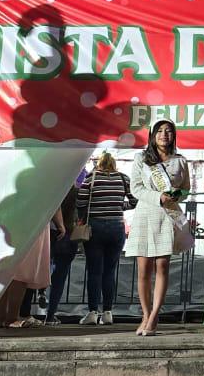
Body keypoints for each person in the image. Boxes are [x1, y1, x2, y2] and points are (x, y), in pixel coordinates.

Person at [127, 119, 190, 336]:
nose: (165, 135)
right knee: (144, 270)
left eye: (169, 131)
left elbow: (186, 189)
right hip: (146, 214)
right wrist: (158, 197)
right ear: (153, 135)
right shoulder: (141, 159)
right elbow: (135, 187)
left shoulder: (180, 161)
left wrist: (176, 195)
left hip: (167, 218)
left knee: (162, 266)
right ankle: (145, 314)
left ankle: (154, 316)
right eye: (160, 131)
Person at [76, 152, 134, 326]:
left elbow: (80, 202)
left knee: (94, 272)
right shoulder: (123, 178)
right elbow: (134, 201)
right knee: (109, 271)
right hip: (117, 228)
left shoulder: (91, 179)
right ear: (114, 164)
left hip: (95, 227)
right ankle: (108, 312)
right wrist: (118, 206)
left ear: (98, 163)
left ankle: (93, 312)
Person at [0, 203, 64, 328]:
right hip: (33, 221)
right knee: (22, 272)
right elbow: (54, 201)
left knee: (7, 271)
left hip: (11, 218)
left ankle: (1, 317)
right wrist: (60, 224)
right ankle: (11, 318)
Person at [46, 184, 79, 324]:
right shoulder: (76, 192)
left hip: (47, 234)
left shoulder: (52, 188)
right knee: (60, 277)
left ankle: (24, 312)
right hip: (69, 234)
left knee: (33, 274)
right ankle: (50, 314)